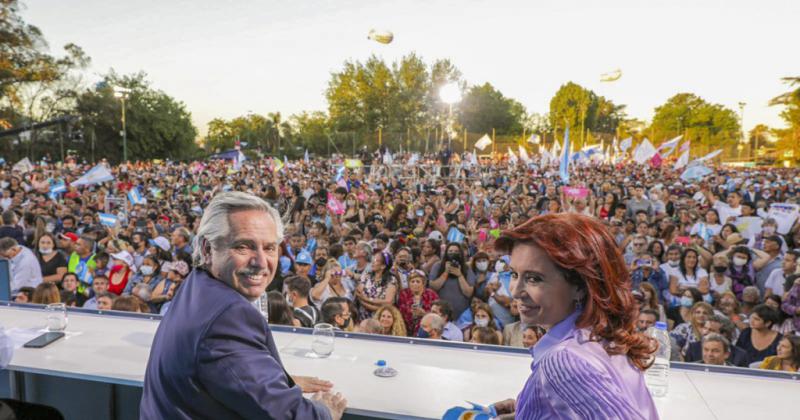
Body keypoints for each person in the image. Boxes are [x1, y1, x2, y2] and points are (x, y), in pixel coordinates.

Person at [141, 192, 346, 420]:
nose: (260, 262)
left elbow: (226, 373)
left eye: (269, 248)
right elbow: (289, 416)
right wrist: (325, 412)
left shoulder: (197, 284)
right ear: (208, 249)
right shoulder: (228, 316)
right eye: (243, 247)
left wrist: (272, 380)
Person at [491, 214, 657, 419]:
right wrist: (532, 407)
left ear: (580, 286)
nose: (515, 291)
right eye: (514, 274)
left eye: (534, 279)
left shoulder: (564, 361)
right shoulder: (601, 334)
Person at [428, 242, 476, 321]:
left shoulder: (467, 268)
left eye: (456, 251)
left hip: (462, 314)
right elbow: (433, 287)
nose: (453, 254)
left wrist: (460, 275)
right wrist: (446, 272)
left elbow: (468, 293)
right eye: (450, 251)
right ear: (446, 253)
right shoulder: (437, 266)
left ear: (460, 253)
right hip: (441, 313)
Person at [397, 270, 439, 335]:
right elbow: (400, 314)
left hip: (427, 331)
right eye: (412, 281)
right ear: (409, 283)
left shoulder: (432, 295)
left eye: (418, 281)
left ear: (423, 283)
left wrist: (424, 314)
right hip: (406, 330)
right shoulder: (404, 294)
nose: (415, 284)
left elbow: (437, 316)